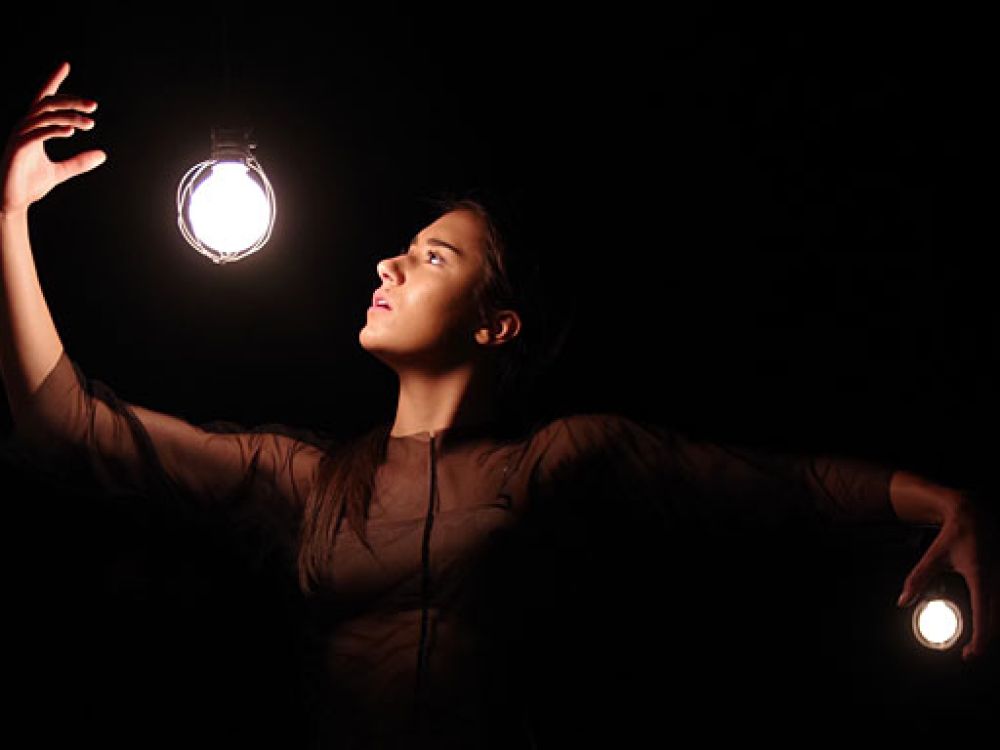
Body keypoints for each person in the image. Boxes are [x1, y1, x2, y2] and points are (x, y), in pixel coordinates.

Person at [2, 61, 997, 748]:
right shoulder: (309, 482)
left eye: (434, 257)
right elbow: (74, 428)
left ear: (495, 324)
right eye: (404, 248)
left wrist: (944, 501)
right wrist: (8, 219)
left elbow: (779, 485)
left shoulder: (561, 460)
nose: (390, 261)